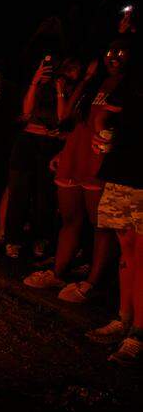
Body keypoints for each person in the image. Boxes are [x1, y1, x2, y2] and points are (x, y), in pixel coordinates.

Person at [25, 42, 131, 301]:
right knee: (69, 218)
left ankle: (92, 282)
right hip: (75, 155)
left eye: (120, 52)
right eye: (108, 52)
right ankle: (58, 271)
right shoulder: (95, 85)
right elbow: (70, 117)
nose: (112, 57)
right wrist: (86, 80)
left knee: (100, 226)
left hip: (99, 161)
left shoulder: (129, 87)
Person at [86, 62, 143, 364]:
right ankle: (124, 318)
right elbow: (107, 111)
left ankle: (138, 333)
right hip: (122, 171)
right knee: (127, 250)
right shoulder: (136, 76)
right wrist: (101, 132)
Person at [2, 55, 72, 259]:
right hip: (27, 142)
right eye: (44, 67)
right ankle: (12, 239)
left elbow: (62, 118)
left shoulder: (65, 87)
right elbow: (26, 111)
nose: (47, 71)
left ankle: (40, 238)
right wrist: (35, 81)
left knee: (45, 196)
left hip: (50, 144)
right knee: (18, 193)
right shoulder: (32, 85)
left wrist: (59, 90)